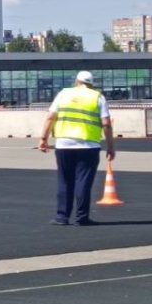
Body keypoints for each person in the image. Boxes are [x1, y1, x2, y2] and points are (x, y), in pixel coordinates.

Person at [37, 71, 115, 226]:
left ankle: (62, 216)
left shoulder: (63, 94)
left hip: (64, 144)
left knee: (64, 180)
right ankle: (81, 217)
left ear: (76, 81)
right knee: (83, 182)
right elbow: (106, 123)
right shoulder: (97, 97)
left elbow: (50, 116)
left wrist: (43, 139)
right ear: (91, 83)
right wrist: (111, 147)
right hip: (88, 146)